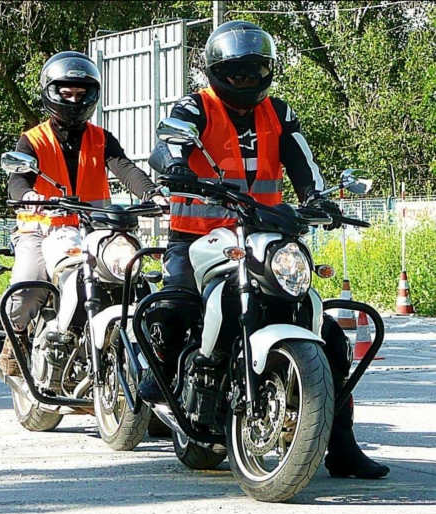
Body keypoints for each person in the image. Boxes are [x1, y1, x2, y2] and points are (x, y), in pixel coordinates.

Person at [141, 20, 390, 479]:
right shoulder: (195, 106)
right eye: (236, 72)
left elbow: (302, 161)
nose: (245, 81)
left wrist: (317, 198)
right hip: (197, 236)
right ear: (216, 71)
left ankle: (341, 444)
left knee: (327, 332)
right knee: (173, 307)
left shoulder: (279, 112)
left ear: (268, 71)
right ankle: (159, 379)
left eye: (255, 71)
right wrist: (174, 166)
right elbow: (167, 144)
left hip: (263, 234)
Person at [0, 50, 166, 377]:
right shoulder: (32, 140)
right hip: (41, 229)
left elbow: (125, 168)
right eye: (66, 93)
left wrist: (153, 193)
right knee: (29, 285)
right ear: (50, 92)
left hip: (94, 230)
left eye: (80, 93)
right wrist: (28, 196)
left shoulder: (102, 139)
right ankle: (14, 338)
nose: (73, 100)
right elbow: (17, 179)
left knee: (130, 274)